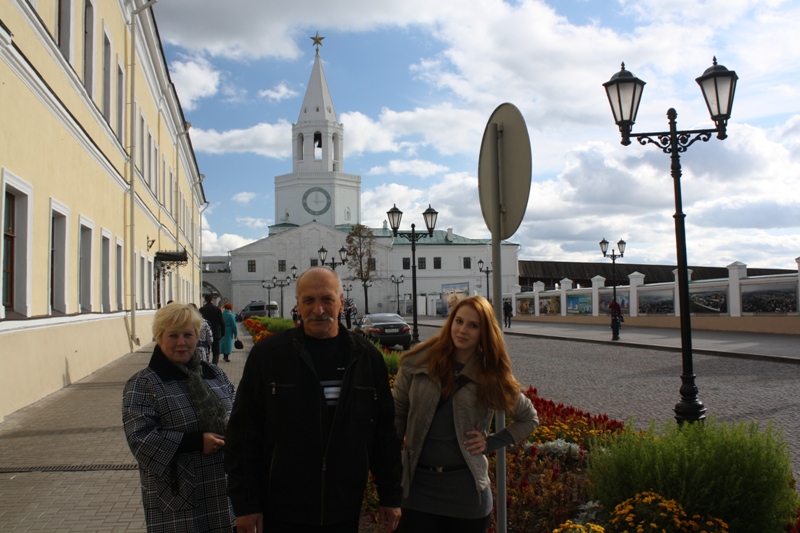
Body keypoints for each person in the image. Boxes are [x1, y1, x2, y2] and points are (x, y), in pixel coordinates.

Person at [225, 267, 402, 533]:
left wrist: (390, 496)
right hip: (281, 510)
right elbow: (243, 435)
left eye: (327, 299)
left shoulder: (366, 357)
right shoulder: (269, 356)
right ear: (297, 304)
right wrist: (246, 504)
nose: (318, 309)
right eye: (309, 300)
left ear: (341, 302)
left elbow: (383, 434)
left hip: (344, 508)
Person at [393, 295, 538, 533]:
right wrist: (389, 467)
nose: (462, 330)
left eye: (473, 325)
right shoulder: (419, 360)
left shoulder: (490, 375)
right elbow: (397, 413)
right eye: (458, 321)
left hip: (466, 492)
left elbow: (529, 418)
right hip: (417, 488)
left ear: (484, 332)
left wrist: (490, 443)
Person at [122, 303, 236, 532]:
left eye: (188, 335)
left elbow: (239, 415)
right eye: (173, 335)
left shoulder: (213, 373)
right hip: (180, 493)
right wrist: (196, 442)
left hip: (223, 490)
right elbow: (140, 439)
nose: (182, 342)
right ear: (159, 337)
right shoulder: (145, 383)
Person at [200, 295, 225, 365]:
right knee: (216, 351)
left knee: (205, 350)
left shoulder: (202, 309)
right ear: (212, 300)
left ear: (205, 300)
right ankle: (214, 365)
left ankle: (206, 364)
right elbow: (222, 322)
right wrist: (222, 333)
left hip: (204, 333)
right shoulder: (217, 309)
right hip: (215, 332)